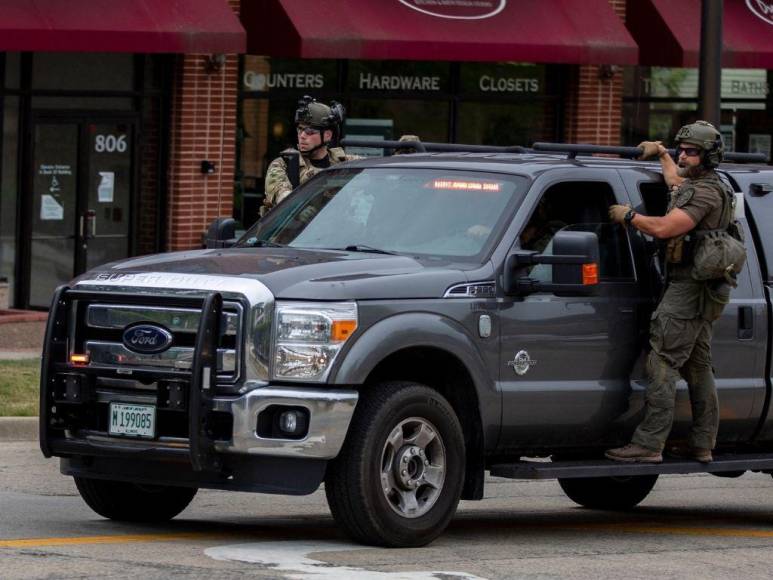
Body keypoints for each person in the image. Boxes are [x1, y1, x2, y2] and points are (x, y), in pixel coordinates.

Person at [605, 120, 734, 464]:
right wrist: (662, 153)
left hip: (689, 289)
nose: (684, 156)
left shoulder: (706, 191)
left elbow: (664, 227)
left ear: (708, 157)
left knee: (661, 361)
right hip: (701, 290)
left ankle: (649, 443)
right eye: (681, 150)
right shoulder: (703, 183)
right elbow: (676, 181)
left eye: (691, 152)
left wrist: (629, 216)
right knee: (698, 365)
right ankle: (702, 442)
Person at [261, 96, 357, 216]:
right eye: (300, 129)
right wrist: (298, 209)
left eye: (310, 132)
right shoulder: (283, 164)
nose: (302, 136)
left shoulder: (348, 164)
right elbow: (282, 195)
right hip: (294, 234)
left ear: (327, 135)